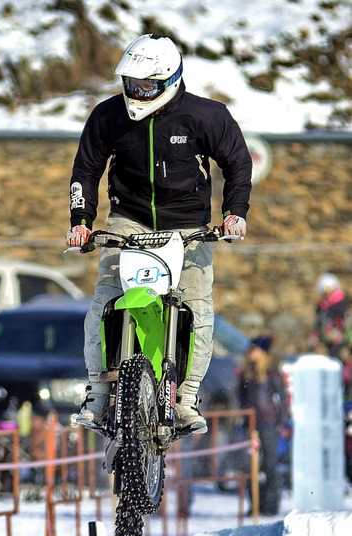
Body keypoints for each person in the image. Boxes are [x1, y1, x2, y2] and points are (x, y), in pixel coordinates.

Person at [65, 34, 252, 433]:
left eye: (147, 84)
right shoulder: (107, 116)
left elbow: (237, 162)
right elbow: (86, 169)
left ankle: (187, 398)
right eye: (131, 82)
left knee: (198, 307)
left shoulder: (206, 115)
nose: (137, 91)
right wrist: (81, 221)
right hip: (128, 222)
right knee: (103, 302)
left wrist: (234, 214)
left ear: (170, 79)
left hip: (188, 228)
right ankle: (97, 394)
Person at [237, 335, 289, 516]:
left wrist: (281, 421)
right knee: (250, 466)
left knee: (270, 465)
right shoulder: (246, 374)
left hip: (269, 424)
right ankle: (256, 504)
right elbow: (242, 399)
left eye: (254, 349)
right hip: (251, 425)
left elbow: (282, 399)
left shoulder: (271, 373)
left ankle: (271, 504)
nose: (250, 353)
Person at [309, 272, 348, 357]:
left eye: (330, 289)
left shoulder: (342, 305)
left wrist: (338, 334)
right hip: (325, 341)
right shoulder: (321, 307)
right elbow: (318, 323)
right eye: (325, 290)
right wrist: (314, 335)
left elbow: (345, 323)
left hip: (340, 342)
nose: (327, 293)